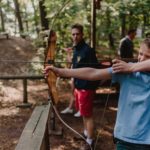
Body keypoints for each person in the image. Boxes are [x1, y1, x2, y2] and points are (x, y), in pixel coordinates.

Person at [44, 38, 150, 150]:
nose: (141, 58)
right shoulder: (125, 71)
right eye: (140, 53)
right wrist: (61, 72)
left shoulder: (129, 68)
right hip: (124, 139)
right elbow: (93, 73)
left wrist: (132, 67)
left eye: (147, 56)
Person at [53, 23, 99, 149]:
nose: (75, 36)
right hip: (79, 87)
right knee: (83, 113)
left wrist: (90, 87)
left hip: (86, 88)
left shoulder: (88, 50)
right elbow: (73, 67)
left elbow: (95, 69)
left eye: (77, 34)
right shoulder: (76, 49)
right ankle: (86, 133)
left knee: (88, 115)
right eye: (73, 34)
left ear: (82, 34)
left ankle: (90, 141)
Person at [60, 47, 81, 117]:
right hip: (74, 75)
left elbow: (76, 64)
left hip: (78, 75)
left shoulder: (80, 54)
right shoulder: (75, 55)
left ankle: (80, 110)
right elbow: (70, 62)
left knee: (79, 92)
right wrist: (68, 53)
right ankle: (70, 108)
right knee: (73, 92)